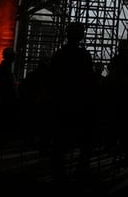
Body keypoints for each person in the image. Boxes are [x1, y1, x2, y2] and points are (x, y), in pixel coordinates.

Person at [48, 21, 98, 182]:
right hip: (79, 103)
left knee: (59, 141)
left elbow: (52, 79)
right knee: (86, 140)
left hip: (61, 102)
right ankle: (81, 171)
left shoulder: (58, 55)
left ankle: (58, 172)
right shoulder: (83, 56)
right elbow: (89, 80)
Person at [105, 39, 128, 156]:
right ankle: (125, 149)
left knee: (114, 122)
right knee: (126, 125)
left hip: (115, 95)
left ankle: (112, 145)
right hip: (127, 96)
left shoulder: (115, 60)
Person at [0, 46, 20, 142]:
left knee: (3, 119)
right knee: (5, 120)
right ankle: (2, 139)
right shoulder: (5, 68)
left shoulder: (4, 67)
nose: (14, 58)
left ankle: (1, 138)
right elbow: (8, 84)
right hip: (6, 98)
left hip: (4, 98)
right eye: (13, 56)